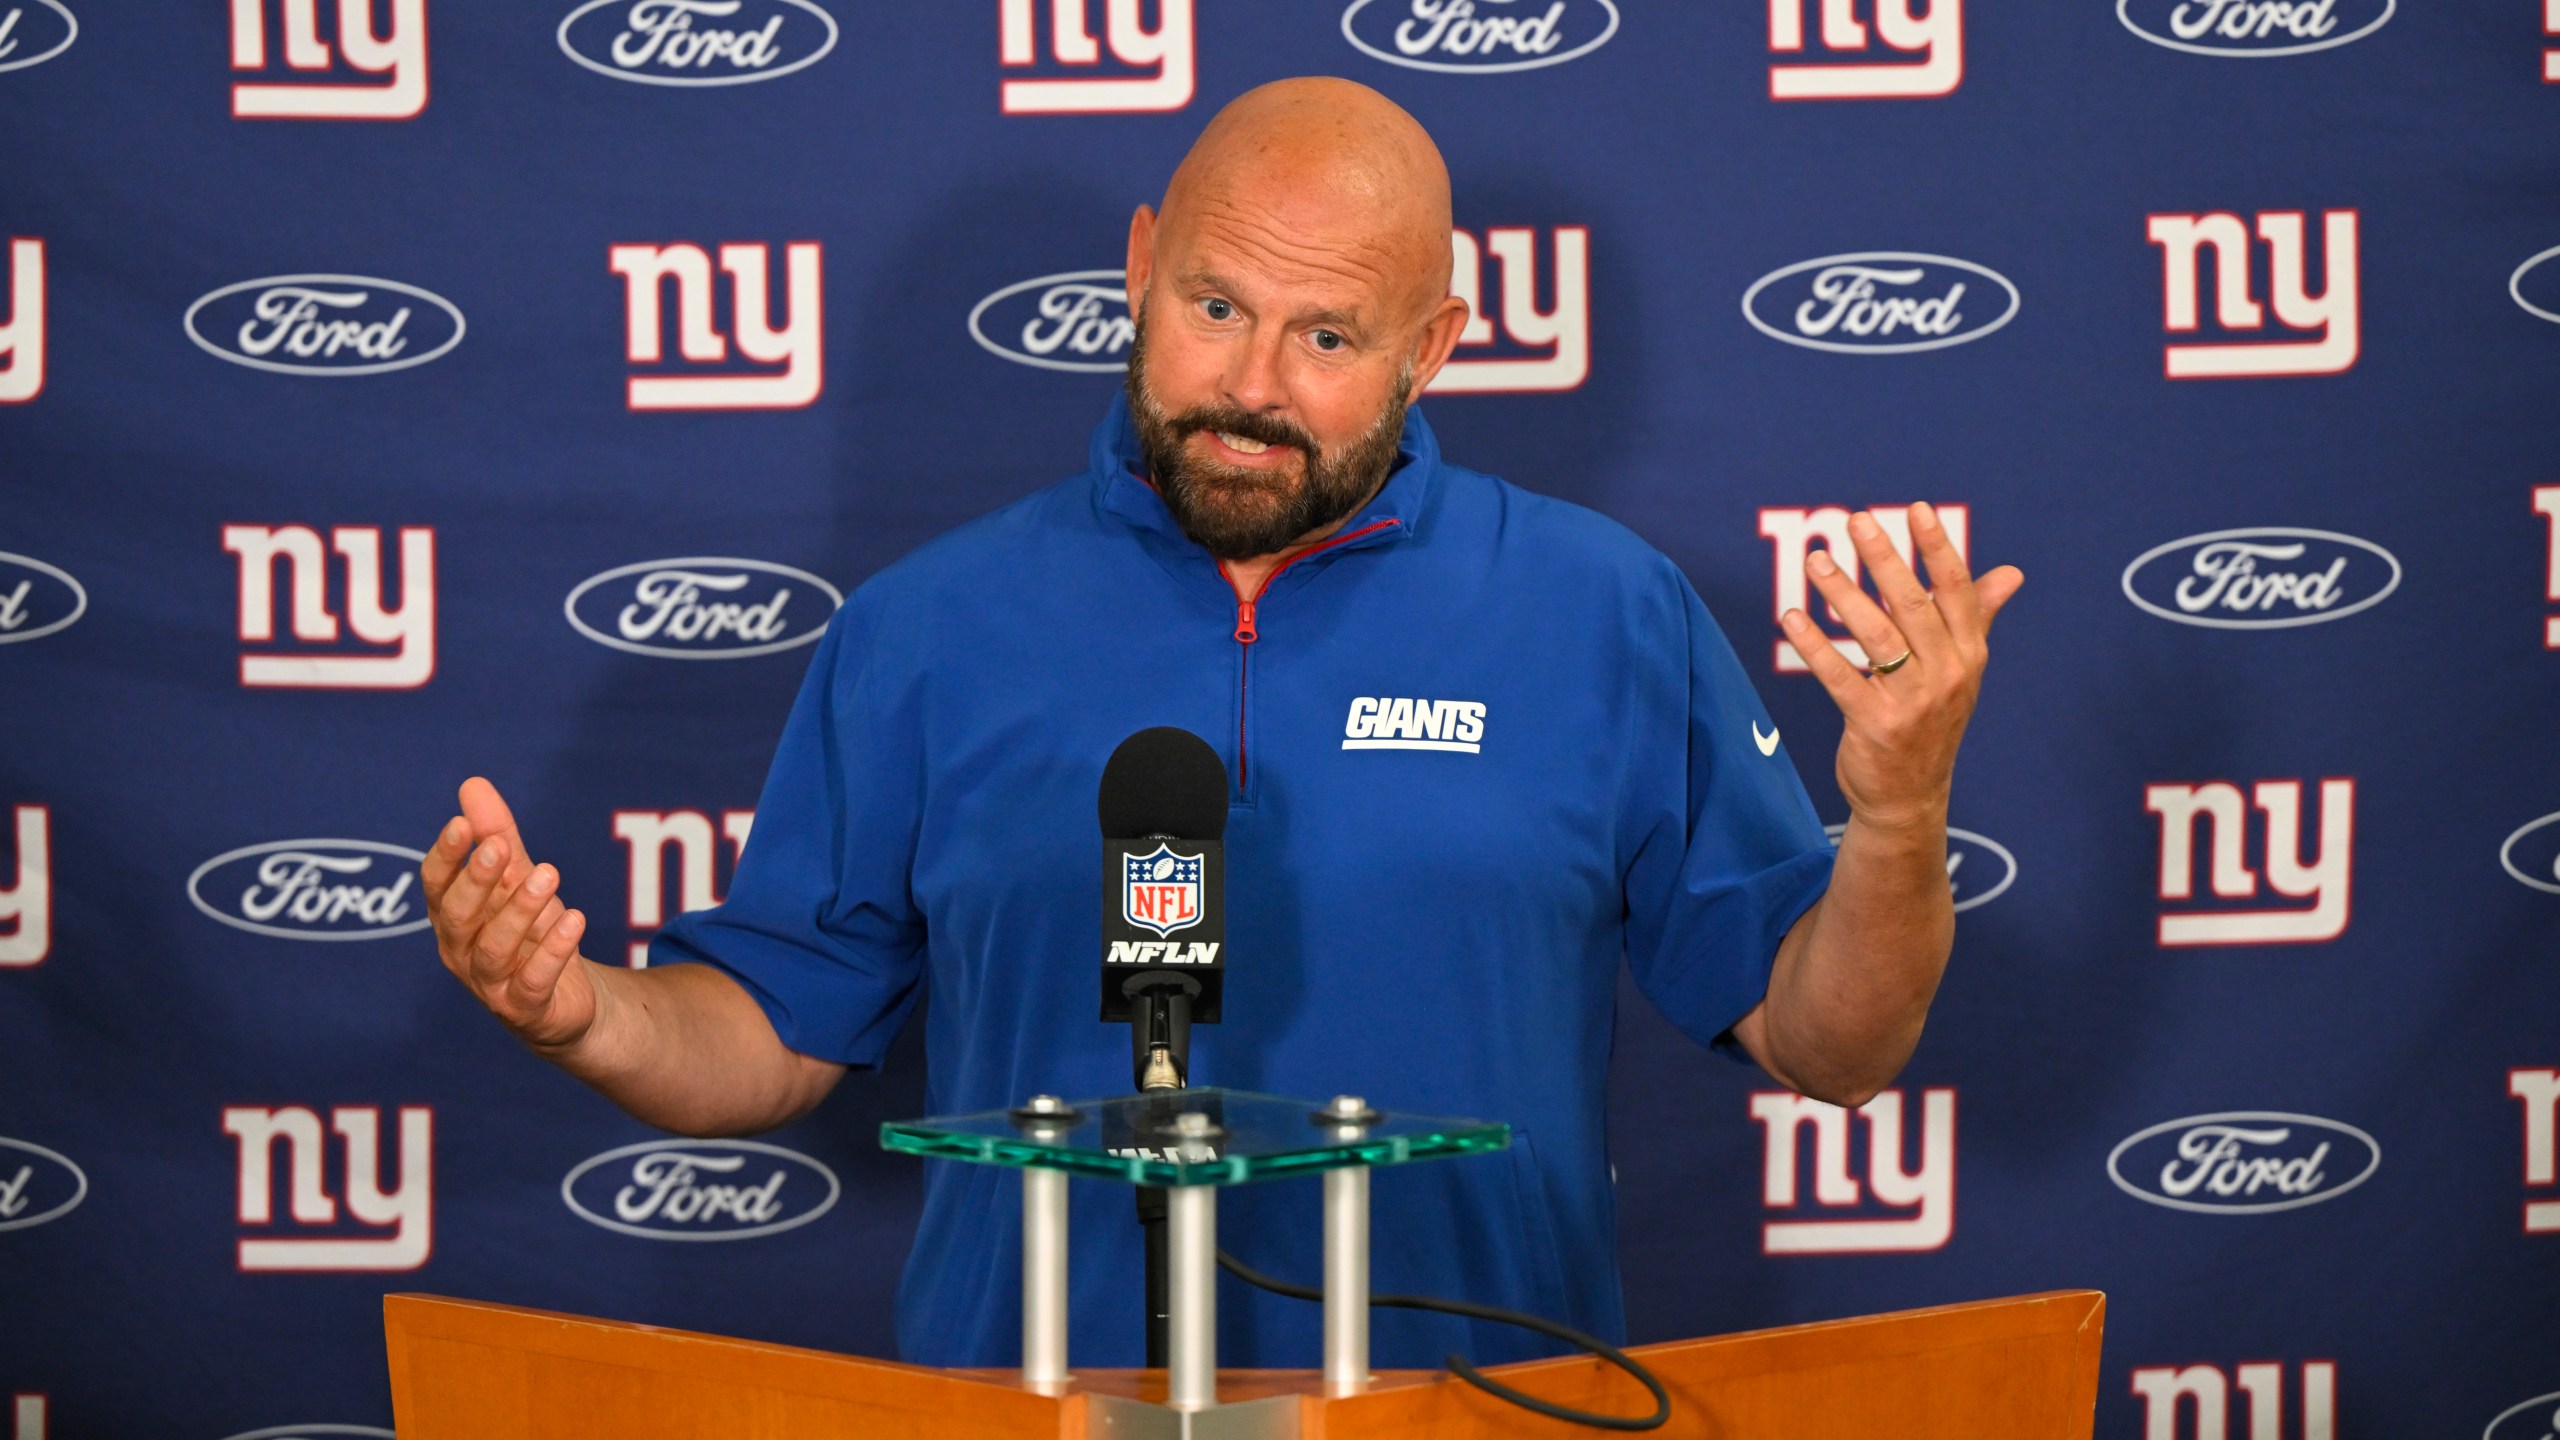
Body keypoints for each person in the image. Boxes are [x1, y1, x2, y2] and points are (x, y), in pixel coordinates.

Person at [417, 77, 2022, 1368]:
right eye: (1212, 305)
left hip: (1470, 1418)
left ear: (1433, 348)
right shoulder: (927, 626)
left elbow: (1833, 1044)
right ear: (1137, 269)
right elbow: (773, 1029)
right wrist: (590, 1018)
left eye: (1327, 338)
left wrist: (1894, 823)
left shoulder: (1606, 611)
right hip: (1041, 1405)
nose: (1251, 383)